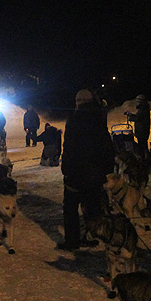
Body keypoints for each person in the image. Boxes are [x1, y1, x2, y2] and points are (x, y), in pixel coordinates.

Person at [59, 89, 114, 250]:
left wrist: (66, 169)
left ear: (78, 102)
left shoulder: (74, 120)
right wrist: (106, 169)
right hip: (95, 174)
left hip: (76, 173)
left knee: (70, 208)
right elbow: (107, 146)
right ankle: (93, 235)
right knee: (92, 207)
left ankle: (72, 241)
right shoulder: (99, 118)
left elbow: (69, 148)